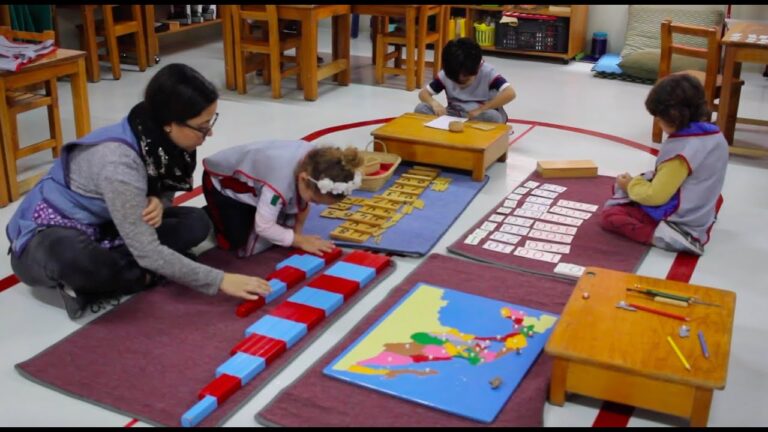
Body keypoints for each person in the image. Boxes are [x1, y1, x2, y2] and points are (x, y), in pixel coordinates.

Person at [6, 63, 272, 320]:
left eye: (210, 121)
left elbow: (165, 194)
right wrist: (221, 280)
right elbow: (147, 250)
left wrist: (158, 200)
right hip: (49, 237)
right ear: (170, 123)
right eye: (202, 126)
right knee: (74, 257)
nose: (210, 132)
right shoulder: (118, 162)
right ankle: (137, 276)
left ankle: (119, 274)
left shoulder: (165, 143)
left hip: (108, 225)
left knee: (196, 222)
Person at [599, 73, 728, 255]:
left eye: (659, 118)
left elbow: (655, 196)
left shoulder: (681, 153)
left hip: (682, 222)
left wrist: (630, 186)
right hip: (702, 204)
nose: (657, 123)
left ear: (675, 116)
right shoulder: (714, 134)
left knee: (611, 216)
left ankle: (668, 237)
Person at [202, 141, 364, 258]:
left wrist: (297, 231)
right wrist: (297, 240)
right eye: (315, 200)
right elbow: (263, 227)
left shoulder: (318, 162)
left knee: (279, 222)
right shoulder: (278, 182)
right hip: (220, 182)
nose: (314, 205)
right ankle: (209, 213)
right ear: (302, 179)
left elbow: (302, 205)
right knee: (234, 242)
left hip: (260, 185)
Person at [414, 37, 516, 123]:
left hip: (480, 114)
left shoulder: (487, 72)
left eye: (465, 80)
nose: (460, 85)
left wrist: (481, 109)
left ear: (477, 68)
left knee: (493, 117)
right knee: (421, 108)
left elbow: (510, 93)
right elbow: (423, 94)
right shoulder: (447, 73)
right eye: (454, 80)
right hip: (455, 114)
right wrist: (434, 103)